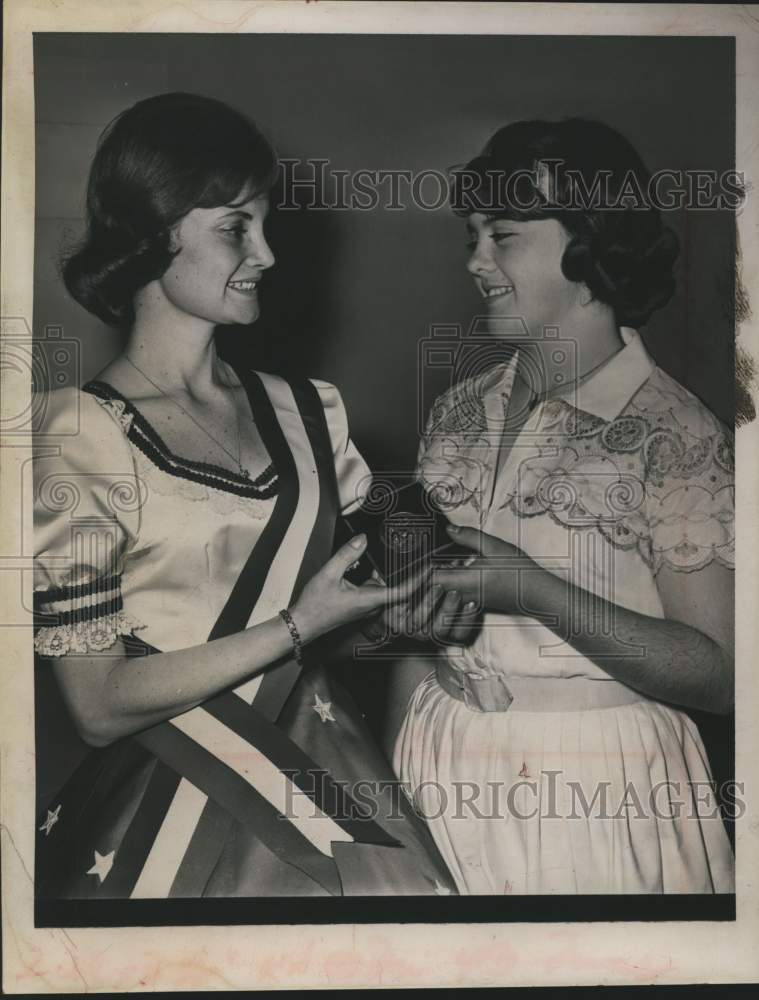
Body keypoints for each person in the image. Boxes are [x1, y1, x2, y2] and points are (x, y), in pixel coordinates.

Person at [33, 92, 464, 899]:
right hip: (167, 816)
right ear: (155, 235)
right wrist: (299, 625)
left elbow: (362, 600)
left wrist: (408, 611)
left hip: (331, 769)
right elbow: (94, 704)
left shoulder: (310, 411)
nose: (266, 253)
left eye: (265, 225)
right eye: (235, 227)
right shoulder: (76, 436)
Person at [392, 118, 736, 894]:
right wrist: (390, 815)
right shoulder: (455, 409)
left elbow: (721, 675)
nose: (474, 261)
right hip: (436, 765)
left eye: (503, 235)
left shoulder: (676, 434)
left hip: (599, 794)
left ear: (588, 245)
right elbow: (417, 646)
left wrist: (534, 591)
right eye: (471, 235)